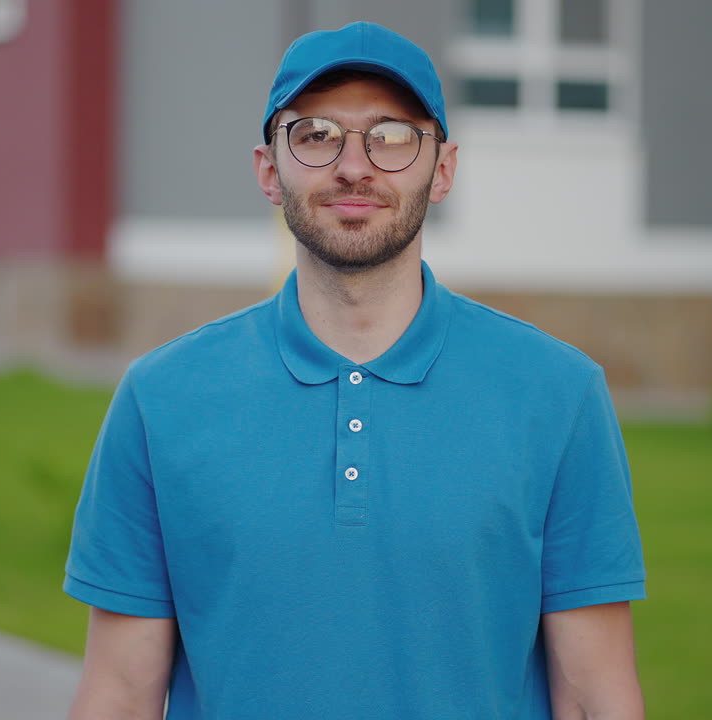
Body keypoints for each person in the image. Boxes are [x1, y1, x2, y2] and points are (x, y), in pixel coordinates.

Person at [64, 21, 646, 720]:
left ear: (444, 169)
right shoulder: (161, 399)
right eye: (316, 134)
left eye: (392, 136)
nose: (353, 166)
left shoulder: (558, 395)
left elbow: (594, 694)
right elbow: (120, 695)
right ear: (268, 170)